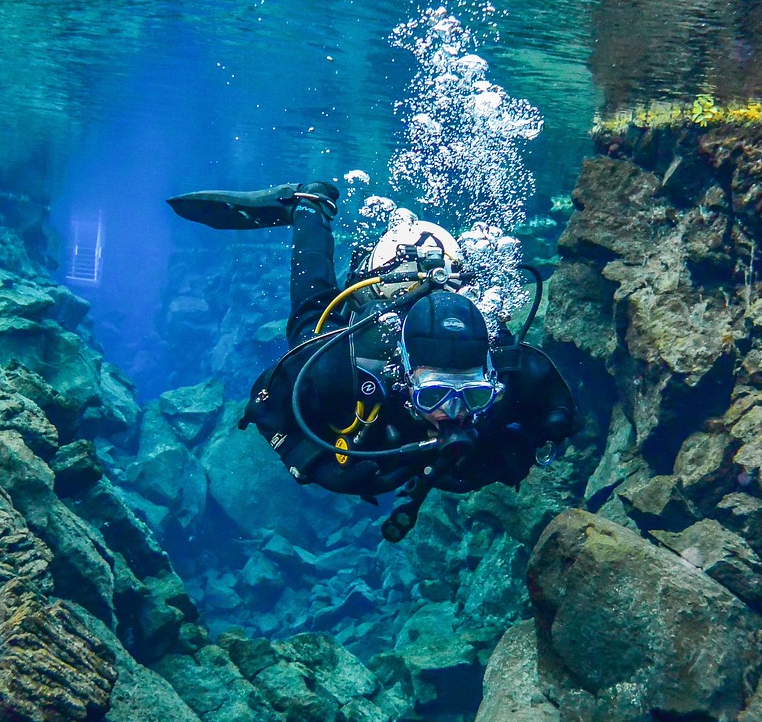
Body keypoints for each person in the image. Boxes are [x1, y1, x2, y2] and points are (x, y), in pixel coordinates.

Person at [168, 180, 576, 540]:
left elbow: (553, 401)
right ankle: (309, 207)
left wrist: (540, 436)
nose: (453, 412)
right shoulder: (344, 368)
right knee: (312, 320)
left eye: (473, 395)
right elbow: (264, 399)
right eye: (433, 395)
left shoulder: (508, 365)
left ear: (491, 380)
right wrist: (307, 460)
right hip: (386, 286)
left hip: (443, 280)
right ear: (405, 378)